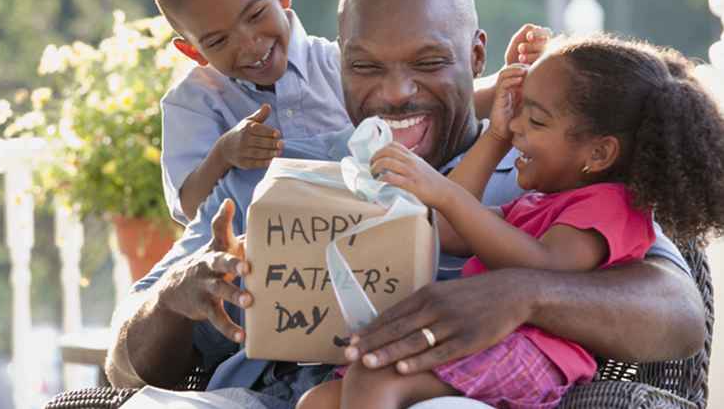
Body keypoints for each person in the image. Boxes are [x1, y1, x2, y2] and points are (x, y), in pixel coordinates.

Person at [105, 0, 705, 409]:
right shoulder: (272, 177)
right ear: (337, 59)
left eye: (427, 63)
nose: (395, 94)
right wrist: (176, 295)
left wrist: (521, 293)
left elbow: (678, 315)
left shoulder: (547, 179)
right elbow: (126, 366)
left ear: (475, 58)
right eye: (365, 65)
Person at [297, 35, 724, 409]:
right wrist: (495, 136)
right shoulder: (541, 204)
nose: (518, 126)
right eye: (519, 113)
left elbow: (544, 266)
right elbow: (449, 230)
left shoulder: (611, 207)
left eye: (535, 120)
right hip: (498, 343)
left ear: (598, 154)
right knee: (319, 401)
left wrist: (443, 191)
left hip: (534, 355)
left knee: (375, 376)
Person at [152, 0, 542, 226]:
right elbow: (189, 211)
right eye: (219, 41)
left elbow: (439, 106)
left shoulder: (332, 63)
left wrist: (522, 80)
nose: (250, 44)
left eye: (255, 16)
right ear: (192, 51)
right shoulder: (199, 105)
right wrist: (224, 155)